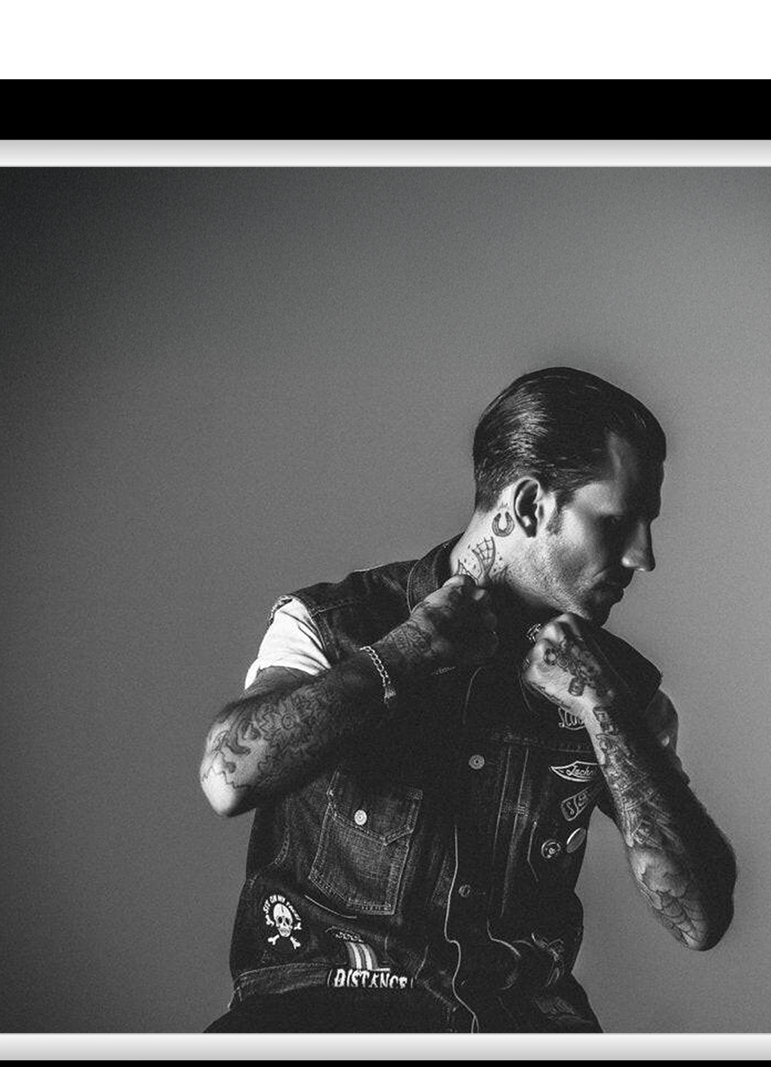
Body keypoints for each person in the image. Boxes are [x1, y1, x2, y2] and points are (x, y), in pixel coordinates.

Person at [198, 367, 737, 1032]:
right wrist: (406, 653)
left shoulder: (621, 690)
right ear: (530, 505)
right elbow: (227, 780)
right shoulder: (332, 625)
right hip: (324, 1018)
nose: (642, 557)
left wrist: (605, 711)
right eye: (618, 521)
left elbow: (699, 920)